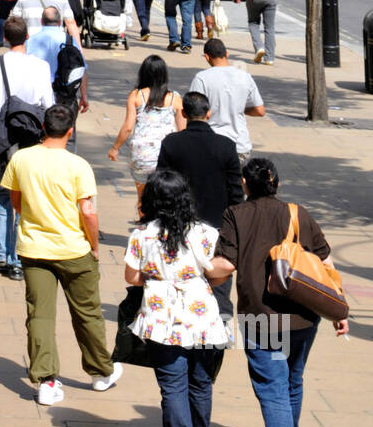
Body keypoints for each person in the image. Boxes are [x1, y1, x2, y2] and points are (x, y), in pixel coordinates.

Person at [208, 157, 349, 427]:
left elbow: (225, 265)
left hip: (263, 316)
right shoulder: (298, 213)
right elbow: (325, 264)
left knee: (273, 389)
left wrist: (195, 272)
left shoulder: (236, 215)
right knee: (293, 380)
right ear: (277, 183)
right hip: (304, 315)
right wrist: (339, 309)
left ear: (245, 184)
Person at [1, 104, 118, 404]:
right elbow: (88, 212)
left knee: (39, 315)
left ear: (42, 126)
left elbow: (16, 200)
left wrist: (35, 219)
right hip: (74, 249)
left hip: (34, 249)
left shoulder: (21, 159)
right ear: (70, 130)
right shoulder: (78, 166)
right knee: (88, 312)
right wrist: (94, 245)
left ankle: (46, 380)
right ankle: (100, 372)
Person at [124, 169, 228, 427]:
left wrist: (159, 278)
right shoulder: (205, 233)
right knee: (200, 382)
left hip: (161, 316)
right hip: (201, 315)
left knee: (173, 387)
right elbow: (218, 273)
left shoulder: (141, 236)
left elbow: (130, 277)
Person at [0, 16, 54, 281]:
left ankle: (0, 255)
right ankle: (18, 258)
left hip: (0, 141)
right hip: (29, 141)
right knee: (24, 200)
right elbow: (47, 104)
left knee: (3, 198)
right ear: (27, 37)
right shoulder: (40, 66)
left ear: (5, 37)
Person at [157, 90, 243, 323]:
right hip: (216, 228)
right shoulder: (226, 146)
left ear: (183, 113)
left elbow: (161, 186)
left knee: (181, 275)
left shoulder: (172, 144)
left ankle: (182, 318)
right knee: (218, 280)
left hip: (178, 226)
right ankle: (220, 321)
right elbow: (236, 193)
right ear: (209, 113)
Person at [108, 54, 185, 198]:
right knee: (166, 197)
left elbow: (128, 127)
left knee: (142, 198)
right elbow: (182, 131)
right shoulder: (175, 98)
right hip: (167, 156)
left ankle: (144, 218)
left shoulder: (136, 96)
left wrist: (115, 148)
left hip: (142, 156)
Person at [192, 39, 266, 162]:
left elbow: (194, 112)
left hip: (212, 144)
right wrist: (241, 109)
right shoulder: (245, 76)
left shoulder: (201, 78)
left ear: (207, 57)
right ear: (227, 54)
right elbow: (260, 111)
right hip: (240, 145)